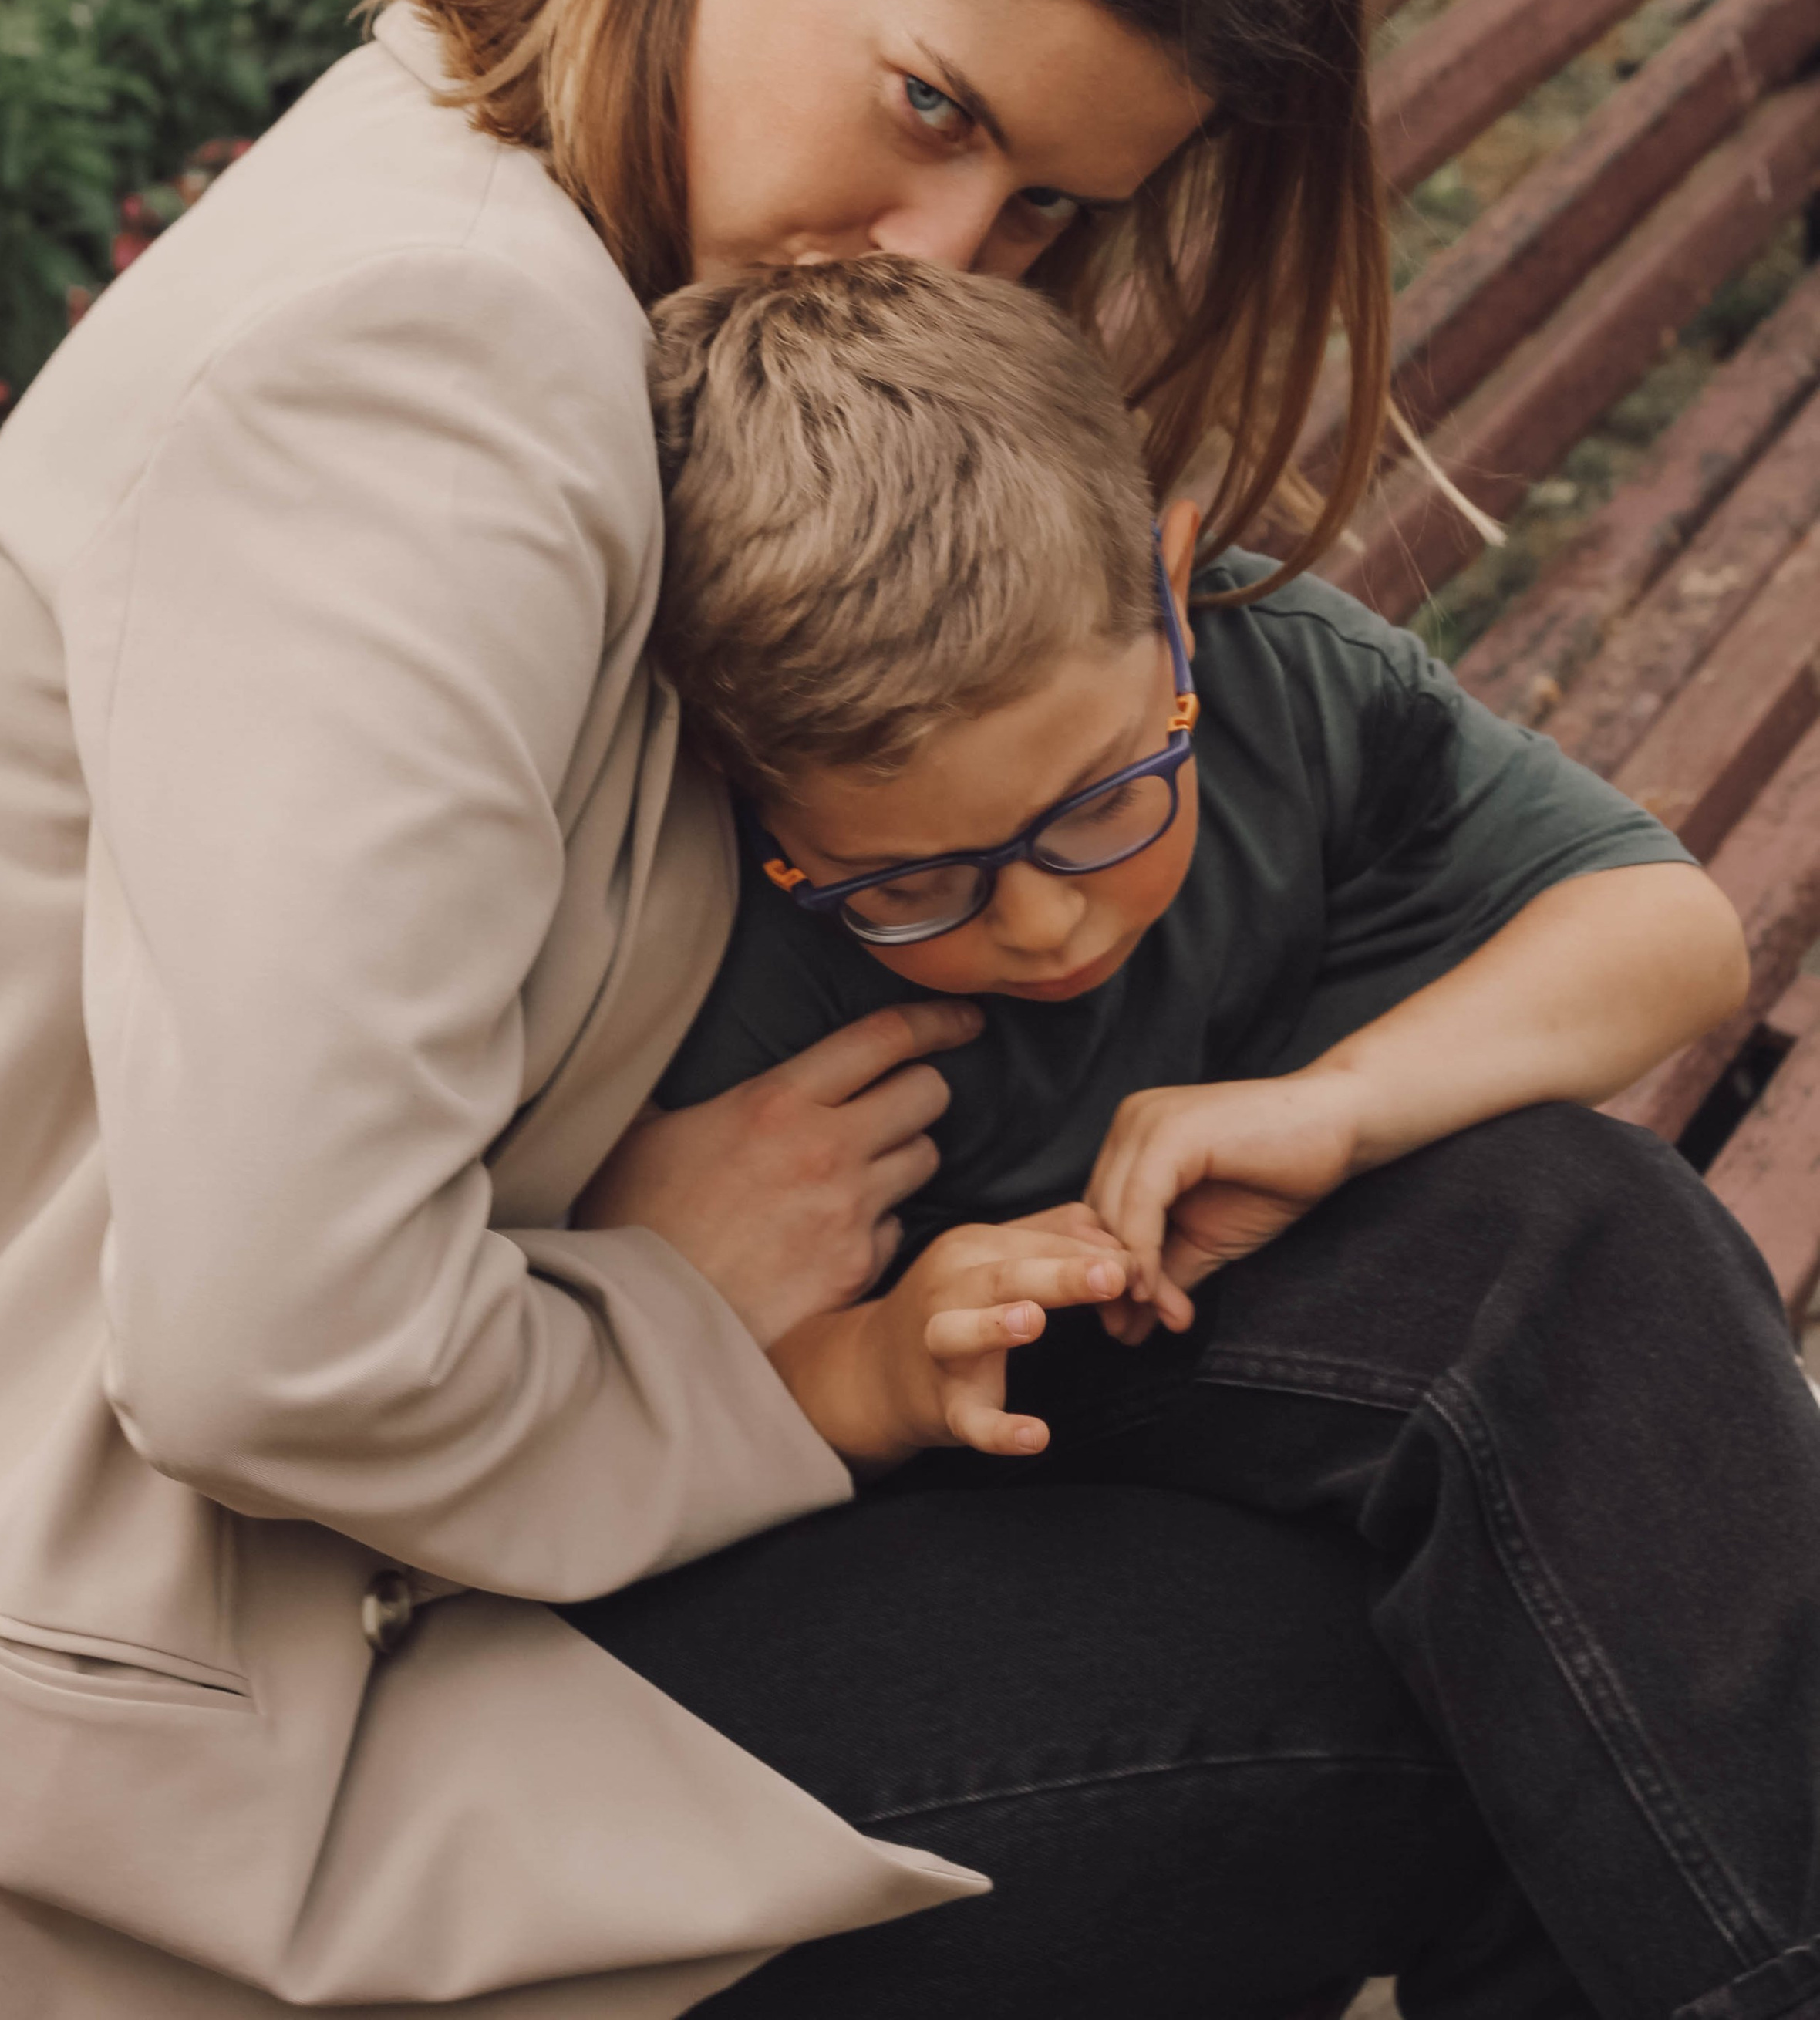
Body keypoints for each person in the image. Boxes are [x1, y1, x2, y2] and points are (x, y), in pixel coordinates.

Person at [0, 0, 1796, 2020]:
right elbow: (273, 1350)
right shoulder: (420, 378)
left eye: (1046, 203)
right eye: (927, 108)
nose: (946, 248)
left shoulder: (563, 242)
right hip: (207, 1758)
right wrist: (703, 1323)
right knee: (1480, 1696)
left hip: (492, 1536)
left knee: (1561, 1261)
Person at [642, 251, 1744, 1446]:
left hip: (1348, 1317)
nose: (1040, 923)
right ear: (741, 790)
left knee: (1598, 1217)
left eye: (1099, 804)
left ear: (1173, 598)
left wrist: (1339, 1106)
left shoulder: (1278, 671)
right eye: (910, 885)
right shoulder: (731, 951)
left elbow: (1675, 935)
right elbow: (701, 1372)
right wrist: (879, 1364)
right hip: (1031, 1480)